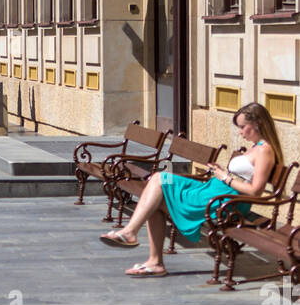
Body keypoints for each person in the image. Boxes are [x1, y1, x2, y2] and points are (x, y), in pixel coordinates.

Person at [99, 102, 283, 278]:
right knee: (156, 188)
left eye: (243, 127)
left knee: (159, 183)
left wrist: (224, 176)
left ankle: (132, 235)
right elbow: (242, 175)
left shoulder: (265, 151)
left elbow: (255, 191)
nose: (241, 132)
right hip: (215, 190)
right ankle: (152, 260)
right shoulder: (255, 146)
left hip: (228, 201)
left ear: (257, 123)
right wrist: (220, 172)